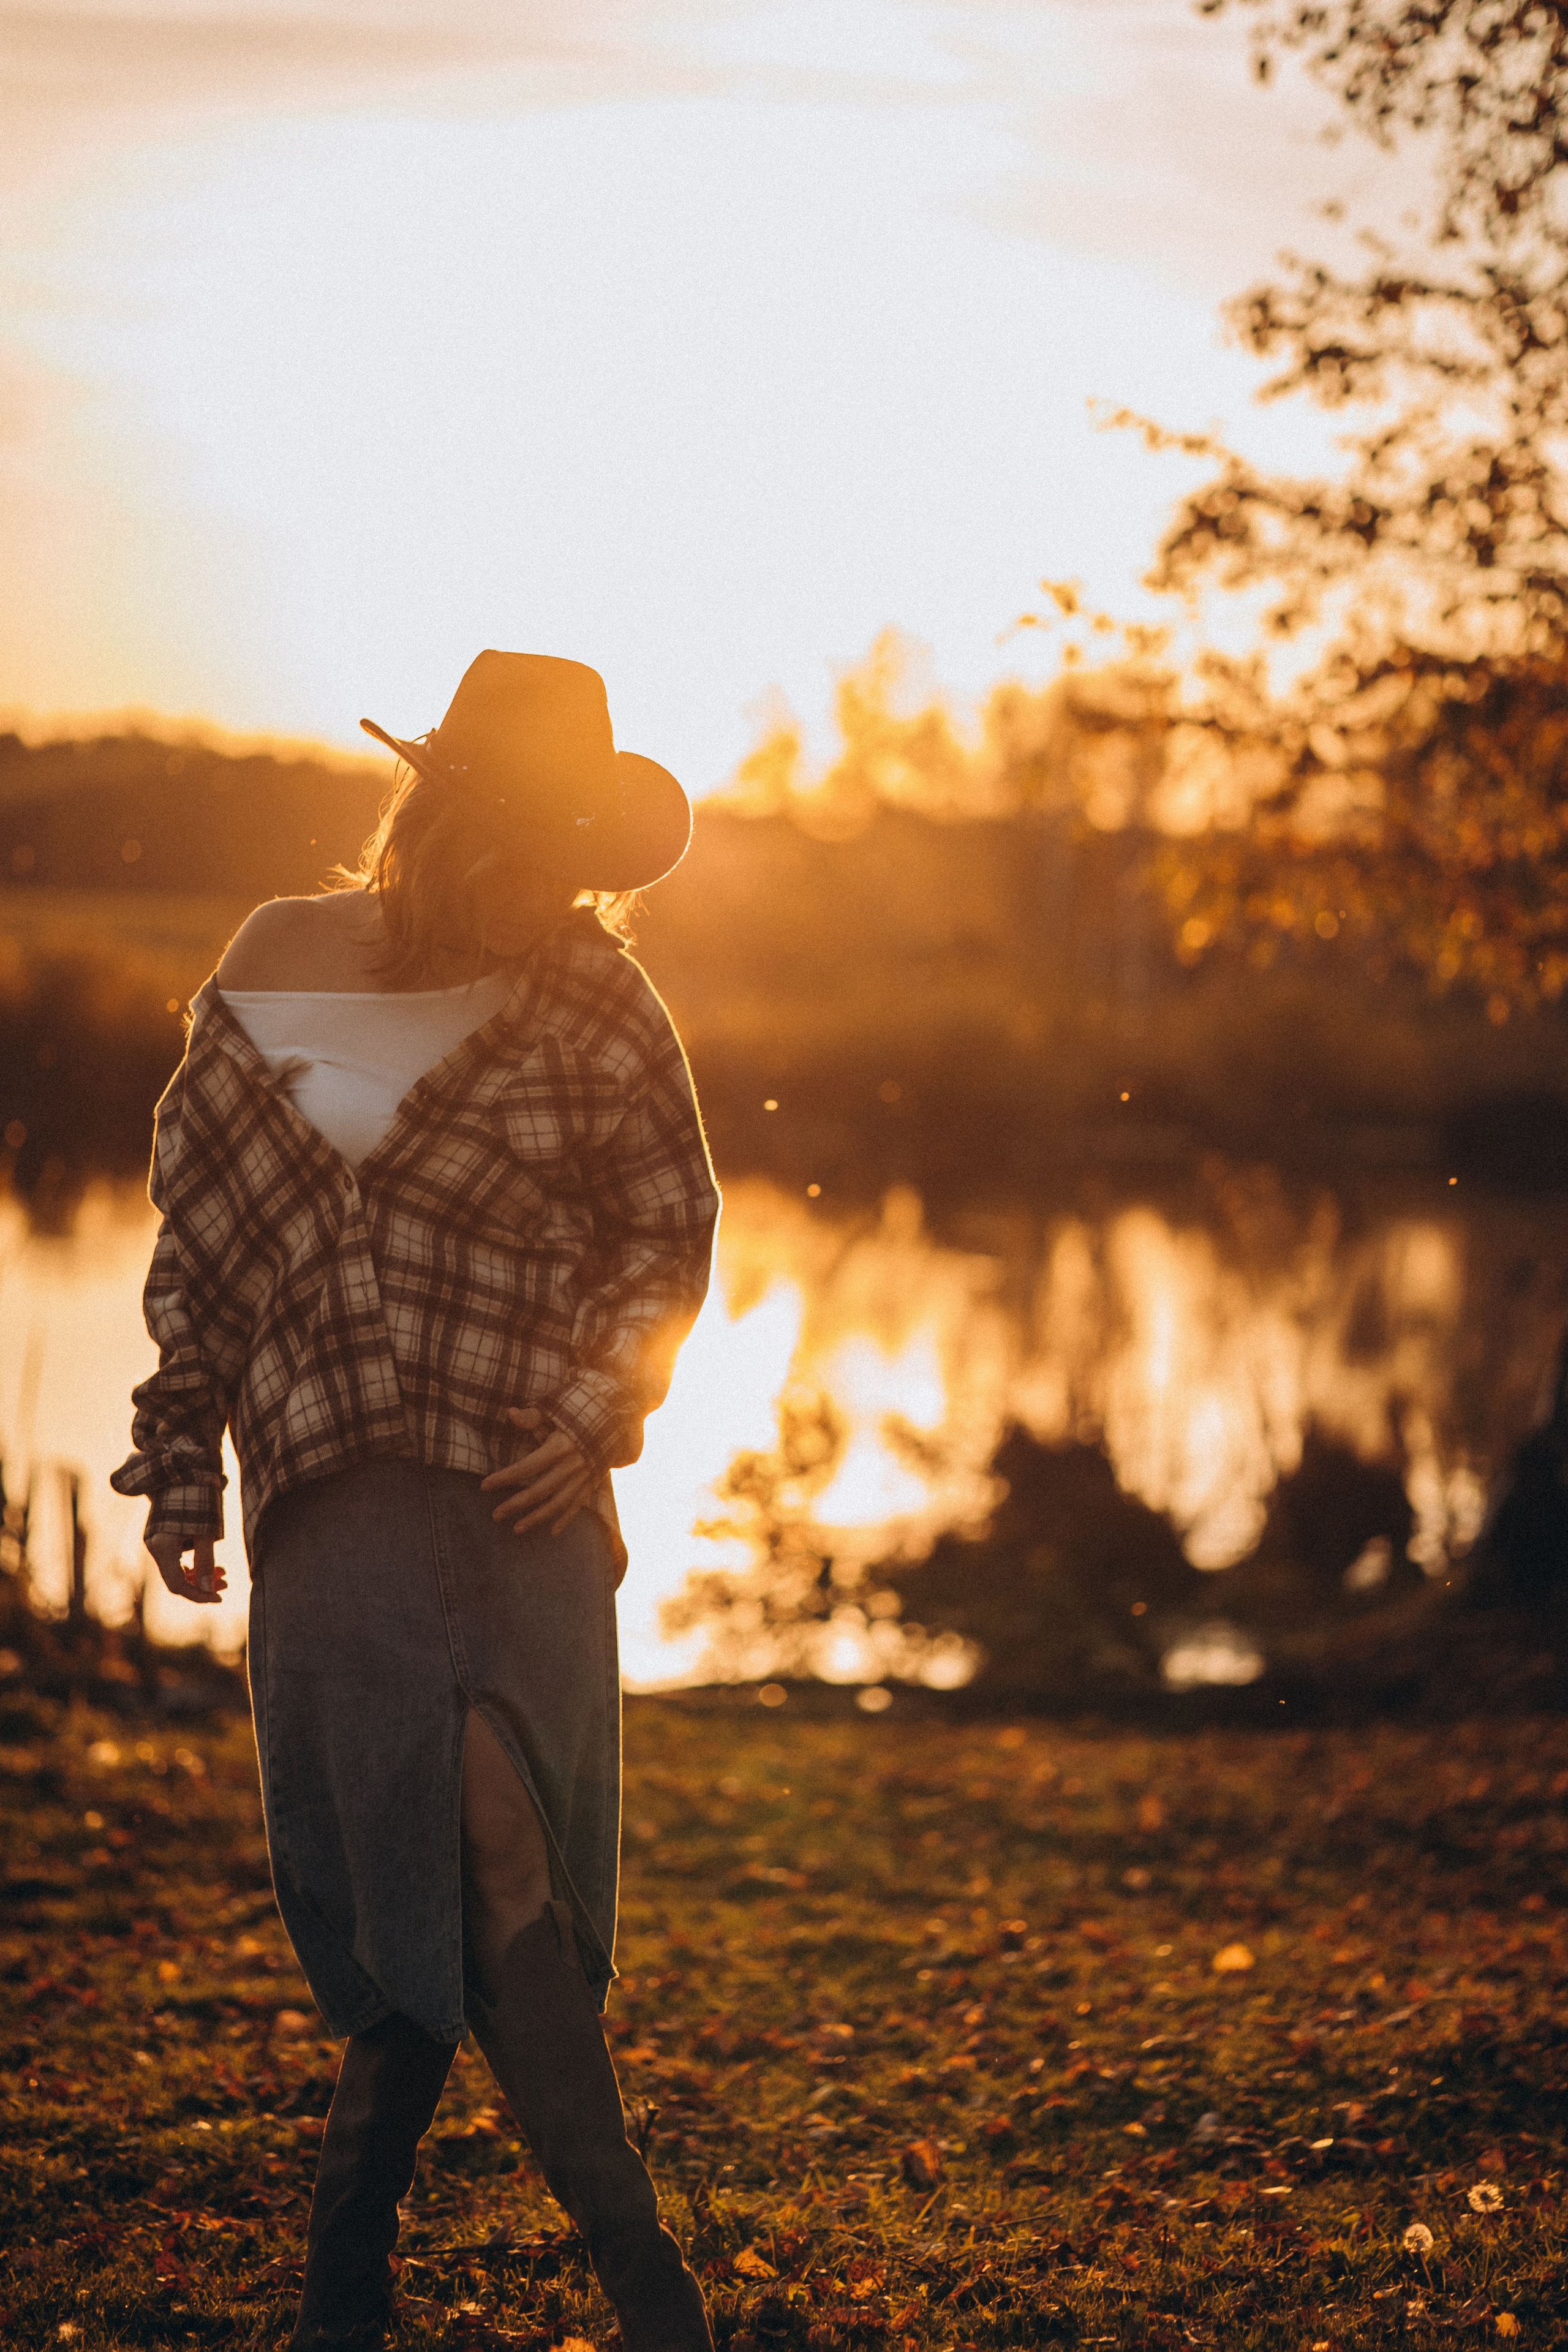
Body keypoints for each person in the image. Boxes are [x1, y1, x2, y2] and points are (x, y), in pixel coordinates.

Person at [111, 652, 722, 2352]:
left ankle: (496, 2288)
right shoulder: (277, 963)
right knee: (410, 1871)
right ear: (438, 813)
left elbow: (666, 1235)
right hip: (337, 1498)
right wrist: (175, 1455)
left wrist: (604, 1407)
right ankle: (440, 2281)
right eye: (520, 840)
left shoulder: (595, 995)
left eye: (572, 850)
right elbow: (205, 1247)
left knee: (501, 1855)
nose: (546, 882)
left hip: (521, 1496)